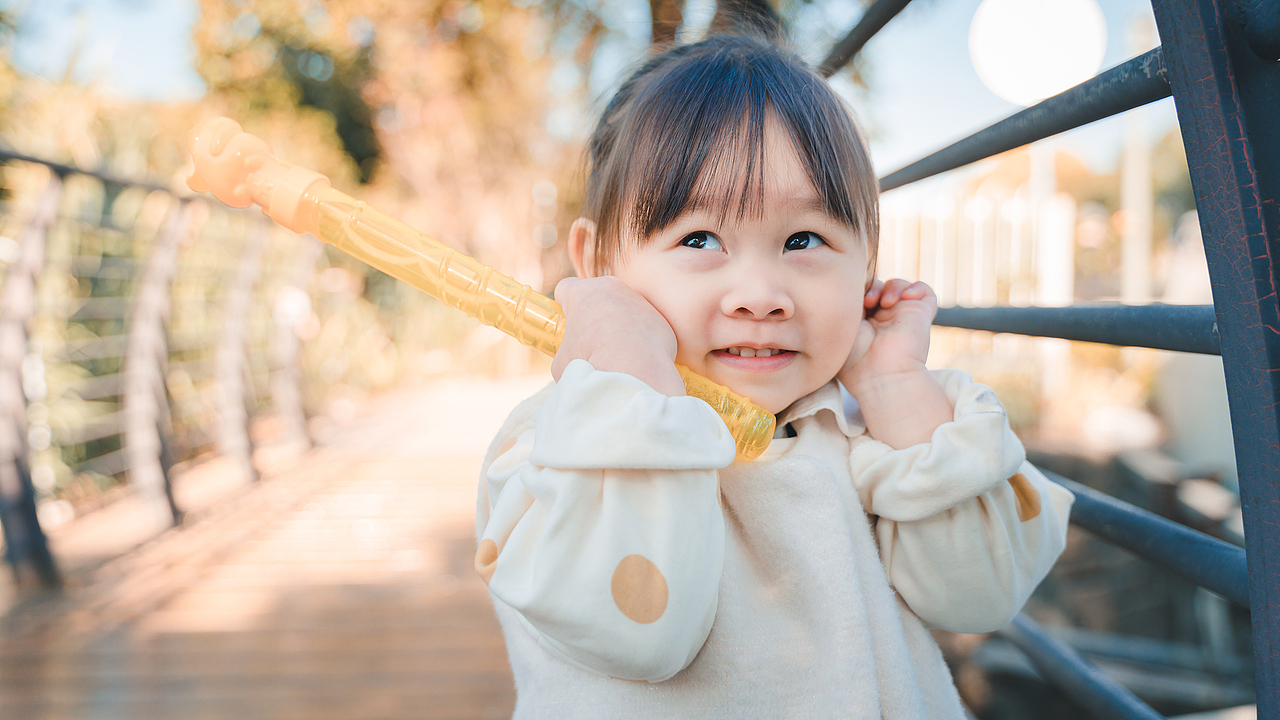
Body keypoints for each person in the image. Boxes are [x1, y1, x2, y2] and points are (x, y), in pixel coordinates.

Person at [473, 28, 1073, 720]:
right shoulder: (553, 445)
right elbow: (639, 633)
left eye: (803, 240)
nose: (760, 293)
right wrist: (628, 386)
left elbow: (981, 595)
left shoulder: (867, 430)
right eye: (699, 239)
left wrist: (893, 387)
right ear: (599, 263)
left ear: (867, 269)